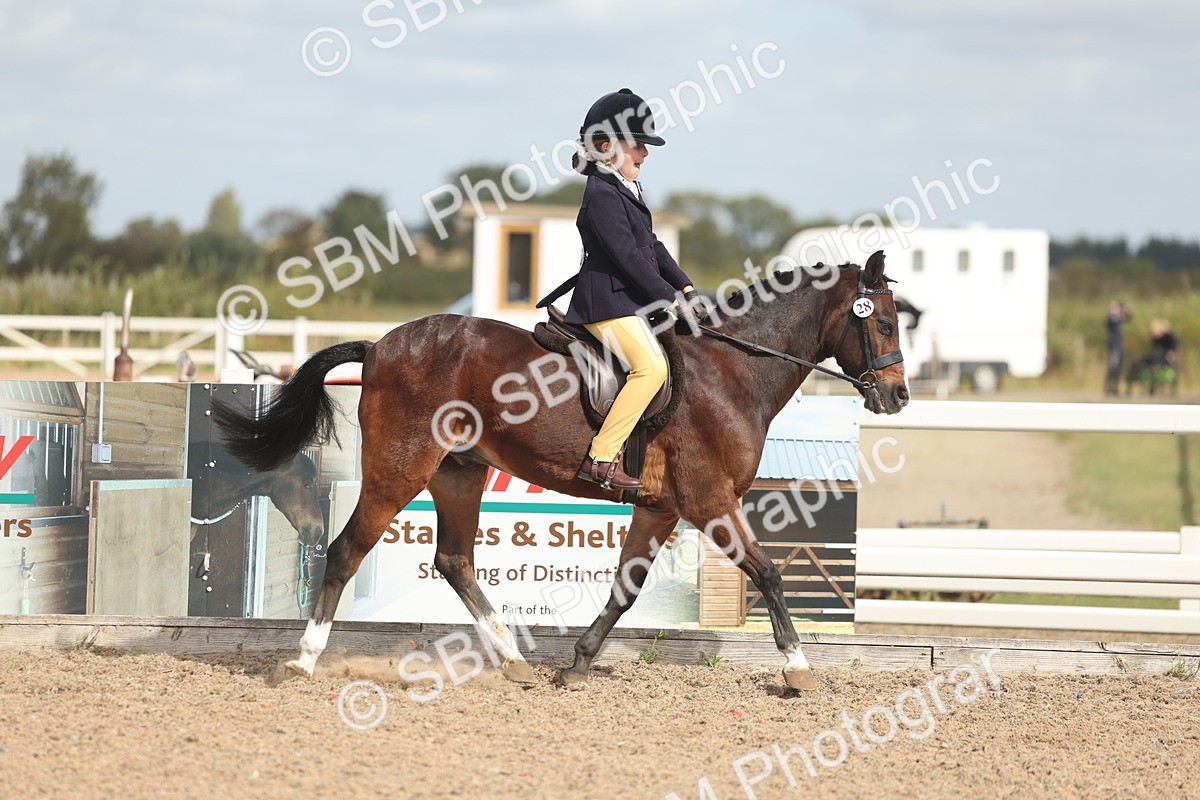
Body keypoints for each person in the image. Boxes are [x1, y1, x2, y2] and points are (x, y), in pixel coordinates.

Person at [563, 88, 707, 491]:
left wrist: (686, 286)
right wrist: (669, 300)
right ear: (607, 146)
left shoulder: (626, 189)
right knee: (651, 368)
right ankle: (601, 457)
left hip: (626, 301)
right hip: (605, 304)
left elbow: (652, 246)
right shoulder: (602, 195)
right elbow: (628, 258)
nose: (645, 153)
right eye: (638, 144)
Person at [1104, 300, 1131, 395]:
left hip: (1119, 347)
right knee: (1113, 367)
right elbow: (1109, 320)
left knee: (1119, 367)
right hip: (1114, 347)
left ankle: (1115, 387)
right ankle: (1108, 387)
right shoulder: (1112, 318)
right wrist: (1114, 310)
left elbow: (1129, 317)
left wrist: (1125, 311)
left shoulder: (1119, 319)